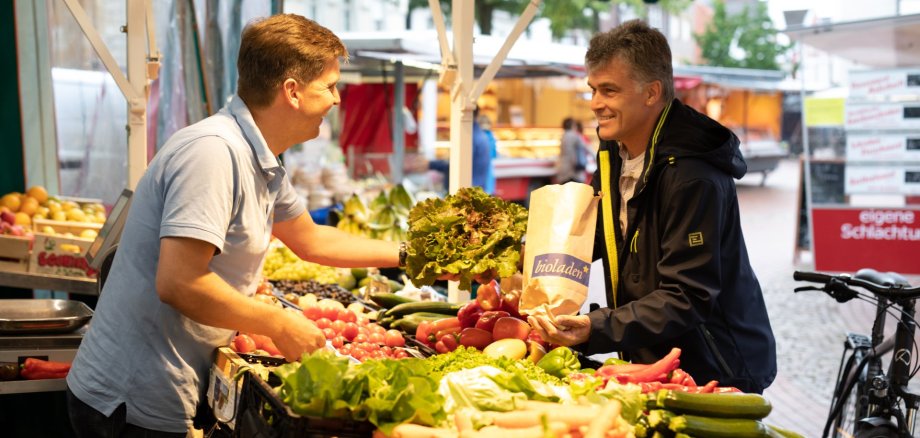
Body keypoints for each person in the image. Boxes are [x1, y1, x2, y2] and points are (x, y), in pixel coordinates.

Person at [65, 14, 413, 436]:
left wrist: (411, 255)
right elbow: (178, 282)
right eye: (330, 86)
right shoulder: (213, 153)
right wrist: (279, 324)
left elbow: (312, 239)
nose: (338, 99)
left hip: (168, 386)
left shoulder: (258, 157)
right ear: (292, 92)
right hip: (130, 400)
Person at [528, 20, 776, 394]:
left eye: (609, 90)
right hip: (653, 360)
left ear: (651, 93)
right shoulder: (616, 150)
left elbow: (687, 295)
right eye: (593, 90)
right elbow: (599, 236)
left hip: (716, 365)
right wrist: (525, 257)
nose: (596, 103)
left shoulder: (693, 174)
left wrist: (596, 327)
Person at [555, 117, 589, 184]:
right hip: (574, 171)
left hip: (563, 170)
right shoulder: (575, 136)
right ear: (573, 125)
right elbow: (587, 148)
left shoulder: (563, 137)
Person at [472, 106, 496, 194]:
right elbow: (494, 154)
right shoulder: (490, 136)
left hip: (477, 178)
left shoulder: (478, 136)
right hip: (487, 172)